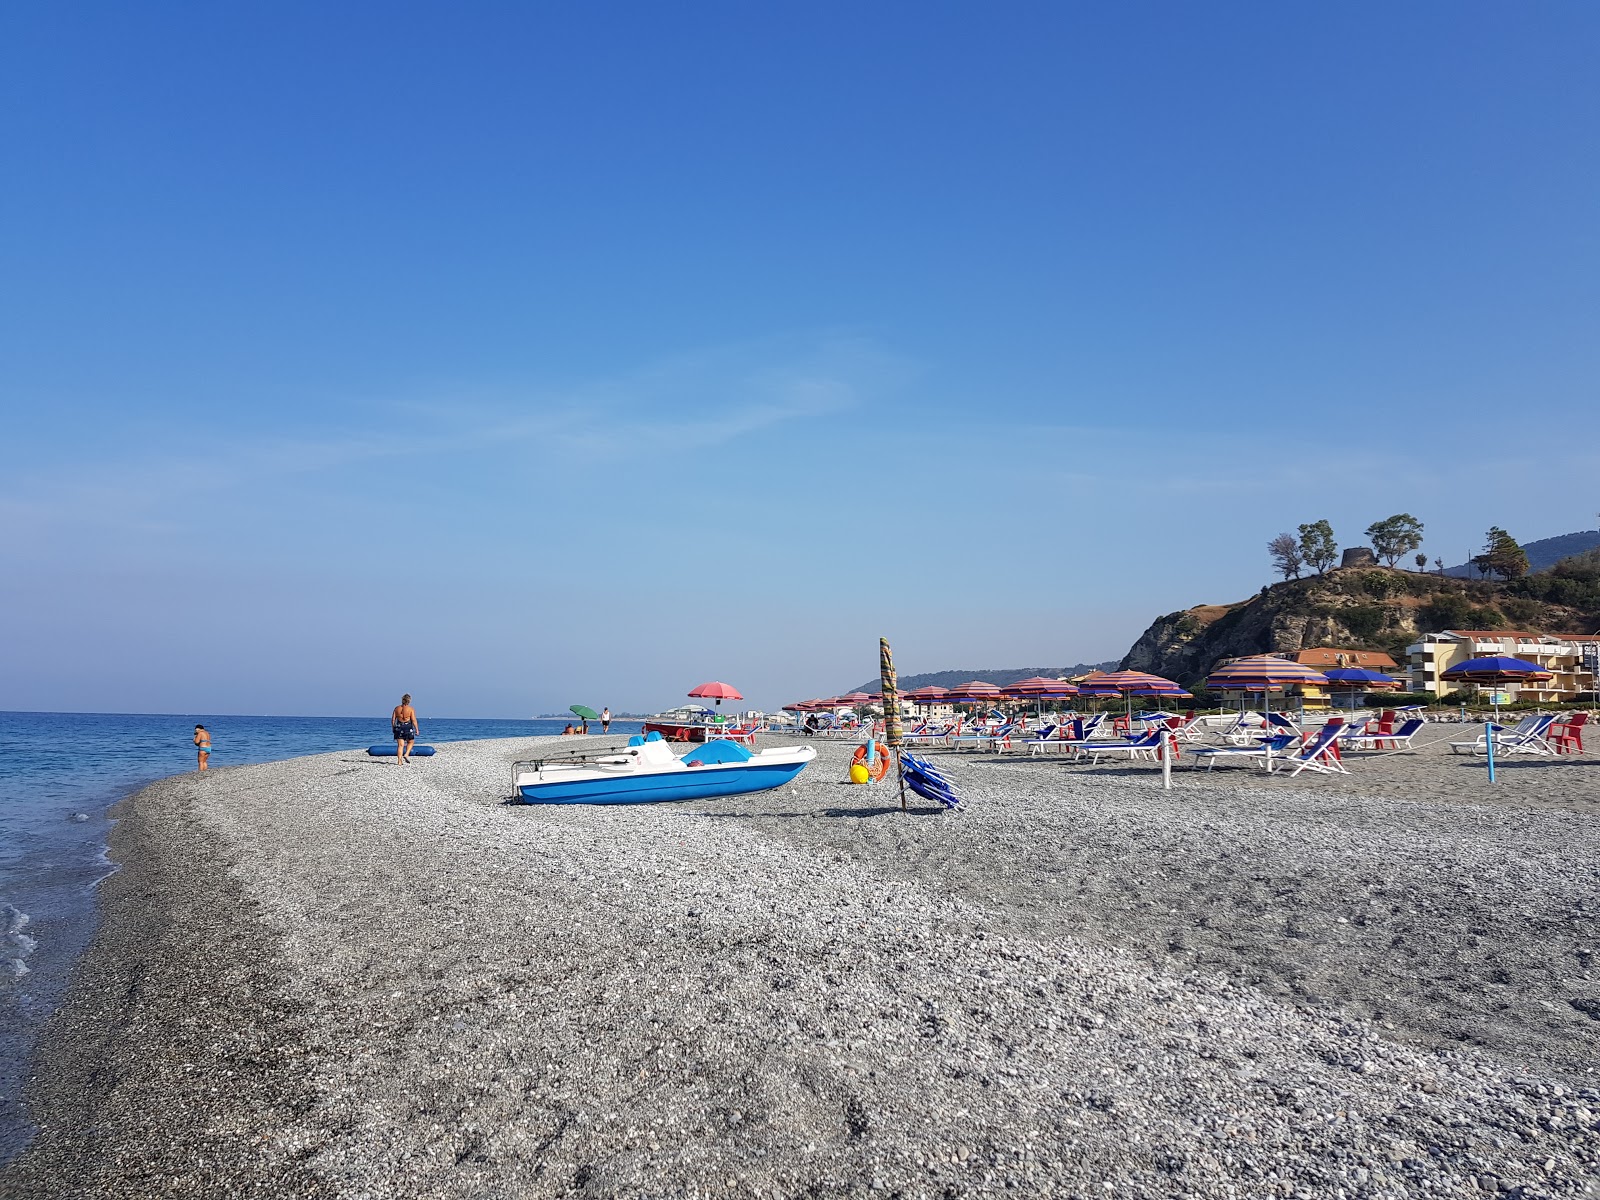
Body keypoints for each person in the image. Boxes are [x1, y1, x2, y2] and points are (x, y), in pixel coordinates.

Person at [391, 694, 420, 764]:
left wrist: (393, 728)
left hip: (398, 726)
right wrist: (417, 729)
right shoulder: (411, 709)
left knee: (400, 745)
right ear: (409, 701)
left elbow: (393, 720)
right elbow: (413, 720)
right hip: (407, 726)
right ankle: (406, 754)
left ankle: (399, 761)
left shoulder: (396, 708)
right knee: (411, 741)